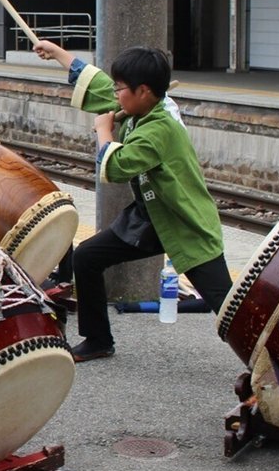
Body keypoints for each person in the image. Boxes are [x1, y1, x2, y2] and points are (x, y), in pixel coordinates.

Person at [34, 39, 232, 363]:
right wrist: (57, 53)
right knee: (87, 257)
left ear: (143, 91)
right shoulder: (138, 106)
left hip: (184, 222)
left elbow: (115, 167)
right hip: (149, 217)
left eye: (120, 88)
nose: (114, 94)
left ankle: (272, 363)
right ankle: (98, 340)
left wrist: (104, 131)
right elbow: (96, 83)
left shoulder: (159, 128)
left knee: (226, 306)